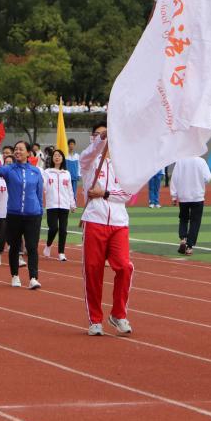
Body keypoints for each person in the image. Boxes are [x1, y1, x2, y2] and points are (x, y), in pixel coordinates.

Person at [78, 122, 134, 336]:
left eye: (105, 133)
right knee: (93, 270)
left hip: (119, 223)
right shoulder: (89, 162)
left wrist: (106, 193)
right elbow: (90, 153)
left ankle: (118, 314)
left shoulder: (123, 164)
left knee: (125, 267)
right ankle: (95, 319)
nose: (102, 136)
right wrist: (102, 138)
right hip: (95, 220)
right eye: (97, 134)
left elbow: (127, 194)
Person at [0, 141, 45, 289]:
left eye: (21, 149)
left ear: (28, 153)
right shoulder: (9, 169)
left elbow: (39, 194)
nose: (17, 151)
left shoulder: (36, 171)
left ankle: (33, 278)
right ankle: (15, 275)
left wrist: (40, 211)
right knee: (14, 247)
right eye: (16, 149)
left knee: (32, 247)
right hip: (14, 215)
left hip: (33, 215)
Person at [169, 155, 211, 255]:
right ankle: (189, 246)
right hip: (197, 196)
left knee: (183, 219)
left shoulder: (180, 161)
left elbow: (174, 178)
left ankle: (183, 238)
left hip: (183, 196)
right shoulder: (201, 161)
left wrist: (174, 196)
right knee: (195, 222)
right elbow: (208, 178)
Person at [42, 149, 76, 261]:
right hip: (52, 204)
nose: (57, 157)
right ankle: (48, 245)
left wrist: (72, 204)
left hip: (64, 205)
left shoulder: (67, 173)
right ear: (52, 158)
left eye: (59, 155)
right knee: (53, 228)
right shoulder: (47, 172)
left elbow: (70, 190)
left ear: (62, 158)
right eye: (55, 155)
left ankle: (61, 252)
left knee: (63, 229)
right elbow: (43, 186)